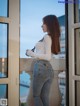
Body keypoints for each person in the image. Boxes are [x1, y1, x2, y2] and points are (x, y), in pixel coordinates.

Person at [26, 15, 60, 106]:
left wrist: (31, 53)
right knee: (44, 97)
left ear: (48, 24)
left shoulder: (46, 37)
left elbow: (48, 56)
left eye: (43, 24)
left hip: (41, 67)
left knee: (36, 96)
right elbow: (45, 54)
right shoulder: (52, 37)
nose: (42, 26)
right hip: (49, 70)